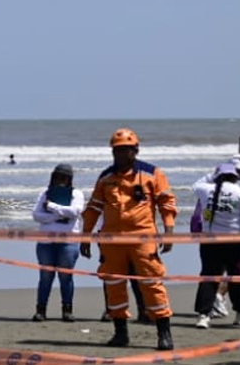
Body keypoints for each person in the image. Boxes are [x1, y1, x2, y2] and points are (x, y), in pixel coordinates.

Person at [80, 128, 178, 350]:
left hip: (143, 239)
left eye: (125, 151)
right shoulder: (106, 178)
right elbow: (93, 208)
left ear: (136, 151)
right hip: (112, 241)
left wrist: (169, 232)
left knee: (152, 284)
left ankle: (164, 333)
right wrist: (85, 237)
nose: (121, 155)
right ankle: (120, 333)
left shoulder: (153, 174)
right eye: (117, 151)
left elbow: (167, 203)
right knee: (114, 285)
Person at [190, 159, 240, 328]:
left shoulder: (206, 191)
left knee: (209, 276)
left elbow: (196, 184)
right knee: (236, 279)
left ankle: (203, 316)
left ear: (218, 177)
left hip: (209, 242)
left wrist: (214, 174)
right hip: (236, 243)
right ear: (235, 177)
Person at [31, 164, 83, 322]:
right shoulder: (45, 194)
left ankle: (67, 310)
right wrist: (58, 215)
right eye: (58, 177)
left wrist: (52, 208)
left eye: (64, 177)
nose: (61, 180)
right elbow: (37, 215)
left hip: (68, 241)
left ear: (69, 179)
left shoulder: (76, 194)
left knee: (65, 277)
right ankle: (41, 310)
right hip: (46, 242)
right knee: (45, 277)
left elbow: (75, 212)